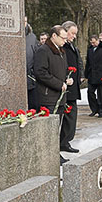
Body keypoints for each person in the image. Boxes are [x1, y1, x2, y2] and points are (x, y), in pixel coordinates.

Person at [33, 26, 74, 161]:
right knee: (48, 130)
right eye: (63, 38)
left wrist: (66, 80)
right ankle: (48, 156)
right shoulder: (43, 51)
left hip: (59, 96)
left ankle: (55, 154)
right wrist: (58, 84)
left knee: (57, 128)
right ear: (54, 36)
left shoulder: (61, 51)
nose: (65, 41)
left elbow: (59, 70)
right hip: (48, 97)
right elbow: (40, 72)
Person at [60, 21, 84, 152]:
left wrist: (81, 75)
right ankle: (63, 142)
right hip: (66, 87)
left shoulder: (72, 46)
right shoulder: (62, 47)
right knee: (67, 117)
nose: (74, 36)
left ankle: (66, 142)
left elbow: (78, 61)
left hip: (73, 87)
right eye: (72, 33)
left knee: (71, 117)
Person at [25, 22, 40, 112]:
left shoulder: (32, 37)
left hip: (31, 79)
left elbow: (36, 57)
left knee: (33, 107)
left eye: (25, 21)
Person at [85, 35, 99, 115]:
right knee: (90, 92)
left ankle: (100, 109)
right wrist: (86, 75)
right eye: (91, 43)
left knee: (100, 94)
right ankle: (94, 109)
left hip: (100, 74)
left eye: (94, 42)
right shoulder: (90, 50)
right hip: (91, 74)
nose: (93, 44)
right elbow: (88, 63)